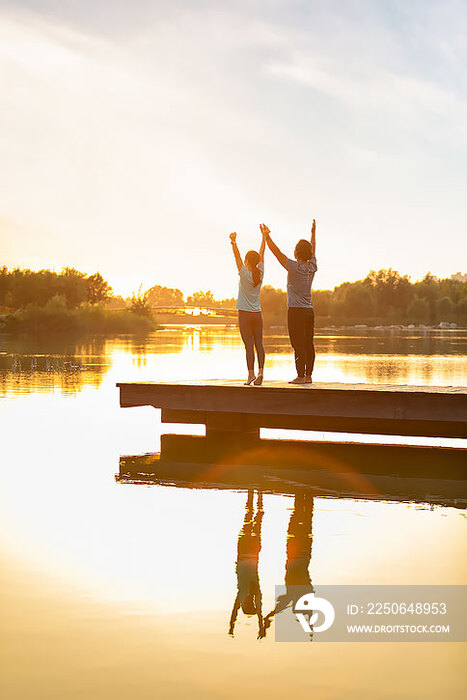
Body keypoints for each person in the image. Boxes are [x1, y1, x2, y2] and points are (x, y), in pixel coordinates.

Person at [260, 220, 317, 384]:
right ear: (309, 254)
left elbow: (277, 253)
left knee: (297, 343)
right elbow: (313, 249)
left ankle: (300, 376)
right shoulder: (312, 266)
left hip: (296, 311)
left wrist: (267, 237)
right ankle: (308, 375)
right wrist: (313, 233)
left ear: (296, 253)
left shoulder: (292, 267)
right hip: (309, 310)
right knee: (308, 343)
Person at [229, 228, 266, 385]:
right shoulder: (261, 272)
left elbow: (236, 256)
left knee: (249, 346)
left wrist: (233, 242)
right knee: (259, 343)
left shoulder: (244, 274)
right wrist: (264, 237)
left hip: (244, 315)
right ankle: (261, 372)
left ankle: (251, 375)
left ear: (247, 262)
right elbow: (262, 252)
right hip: (257, 314)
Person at [229, 490, 265, 639]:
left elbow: (259, 613)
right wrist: (231, 625)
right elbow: (234, 611)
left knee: (257, 520)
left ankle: (259, 495)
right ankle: (253, 493)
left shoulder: (252, 592)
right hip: (244, 553)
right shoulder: (243, 593)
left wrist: (261, 626)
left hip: (252, 552)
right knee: (249, 518)